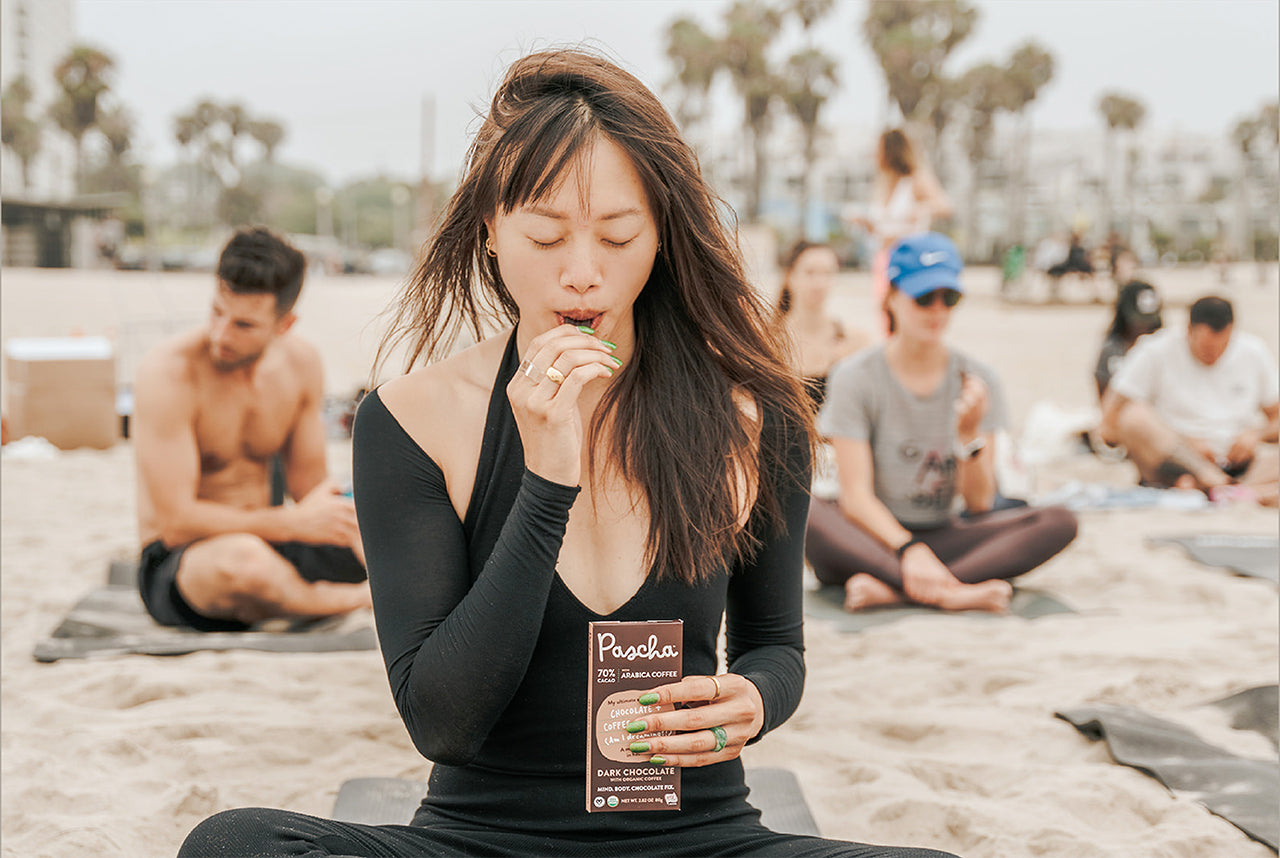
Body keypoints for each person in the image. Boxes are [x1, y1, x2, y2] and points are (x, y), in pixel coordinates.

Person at [177, 51, 958, 858]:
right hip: (483, 841)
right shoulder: (411, 418)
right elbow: (441, 720)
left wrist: (757, 699)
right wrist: (547, 479)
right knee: (233, 843)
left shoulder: (756, 415)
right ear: (489, 227)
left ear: (661, 236)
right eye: (546, 236)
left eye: (618, 237)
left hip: (700, 840)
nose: (582, 274)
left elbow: (775, 644)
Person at [805, 233, 1078, 614]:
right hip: (870, 538)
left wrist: (968, 438)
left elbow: (980, 503)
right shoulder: (856, 376)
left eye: (948, 298)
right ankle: (948, 589)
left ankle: (897, 591)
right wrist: (908, 549)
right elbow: (856, 498)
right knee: (802, 508)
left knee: (1059, 521)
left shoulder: (977, 378)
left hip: (943, 533)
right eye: (923, 297)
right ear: (891, 297)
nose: (936, 310)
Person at [132, 227, 368, 633]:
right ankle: (353, 600)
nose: (221, 335)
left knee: (393, 524)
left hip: (276, 537)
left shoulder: (301, 364)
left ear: (284, 324)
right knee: (242, 563)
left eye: (243, 325)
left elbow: (310, 486)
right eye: (216, 312)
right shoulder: (169, 373)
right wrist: (293, 524)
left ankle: (302, 596)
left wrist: (362, 534)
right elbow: (175, 522)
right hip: (185, 559)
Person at [1099, 295, 1279, 501]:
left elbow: (1276, 418)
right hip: (1174, 458)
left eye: (1223, 347)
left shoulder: (1253, 351)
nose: (1215, 355)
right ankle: (1215, 483)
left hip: (1236, 461)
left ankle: (1224, 488)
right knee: (1134, 416)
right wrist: (1181, 441)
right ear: (1188, 331)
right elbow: (1110, 419)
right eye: (1206, 349)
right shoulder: (1155, 349)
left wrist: (1256, 435)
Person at [847, 129, 951, 337]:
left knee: (907, 315)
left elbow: (945, 206)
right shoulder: (882, 183)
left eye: (878, 149)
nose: (875, 155)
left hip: (910, 259)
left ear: (891, 151)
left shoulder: (915, 179)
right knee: (885, 314)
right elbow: (882, 227)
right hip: (883, 258)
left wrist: (921, 209)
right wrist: (865, 223)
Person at [775, 240, 871, 408]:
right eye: (810, 272)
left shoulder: (856, 343)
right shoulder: (768, 340)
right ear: (790, 276)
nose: (819, 283)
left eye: (827, 273)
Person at [1094, 279, 1163, 399]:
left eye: (1148, 321)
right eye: (1137, 321)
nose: (1143, 327)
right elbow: (1104, 396)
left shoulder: (1163, 349)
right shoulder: (1111, 351)